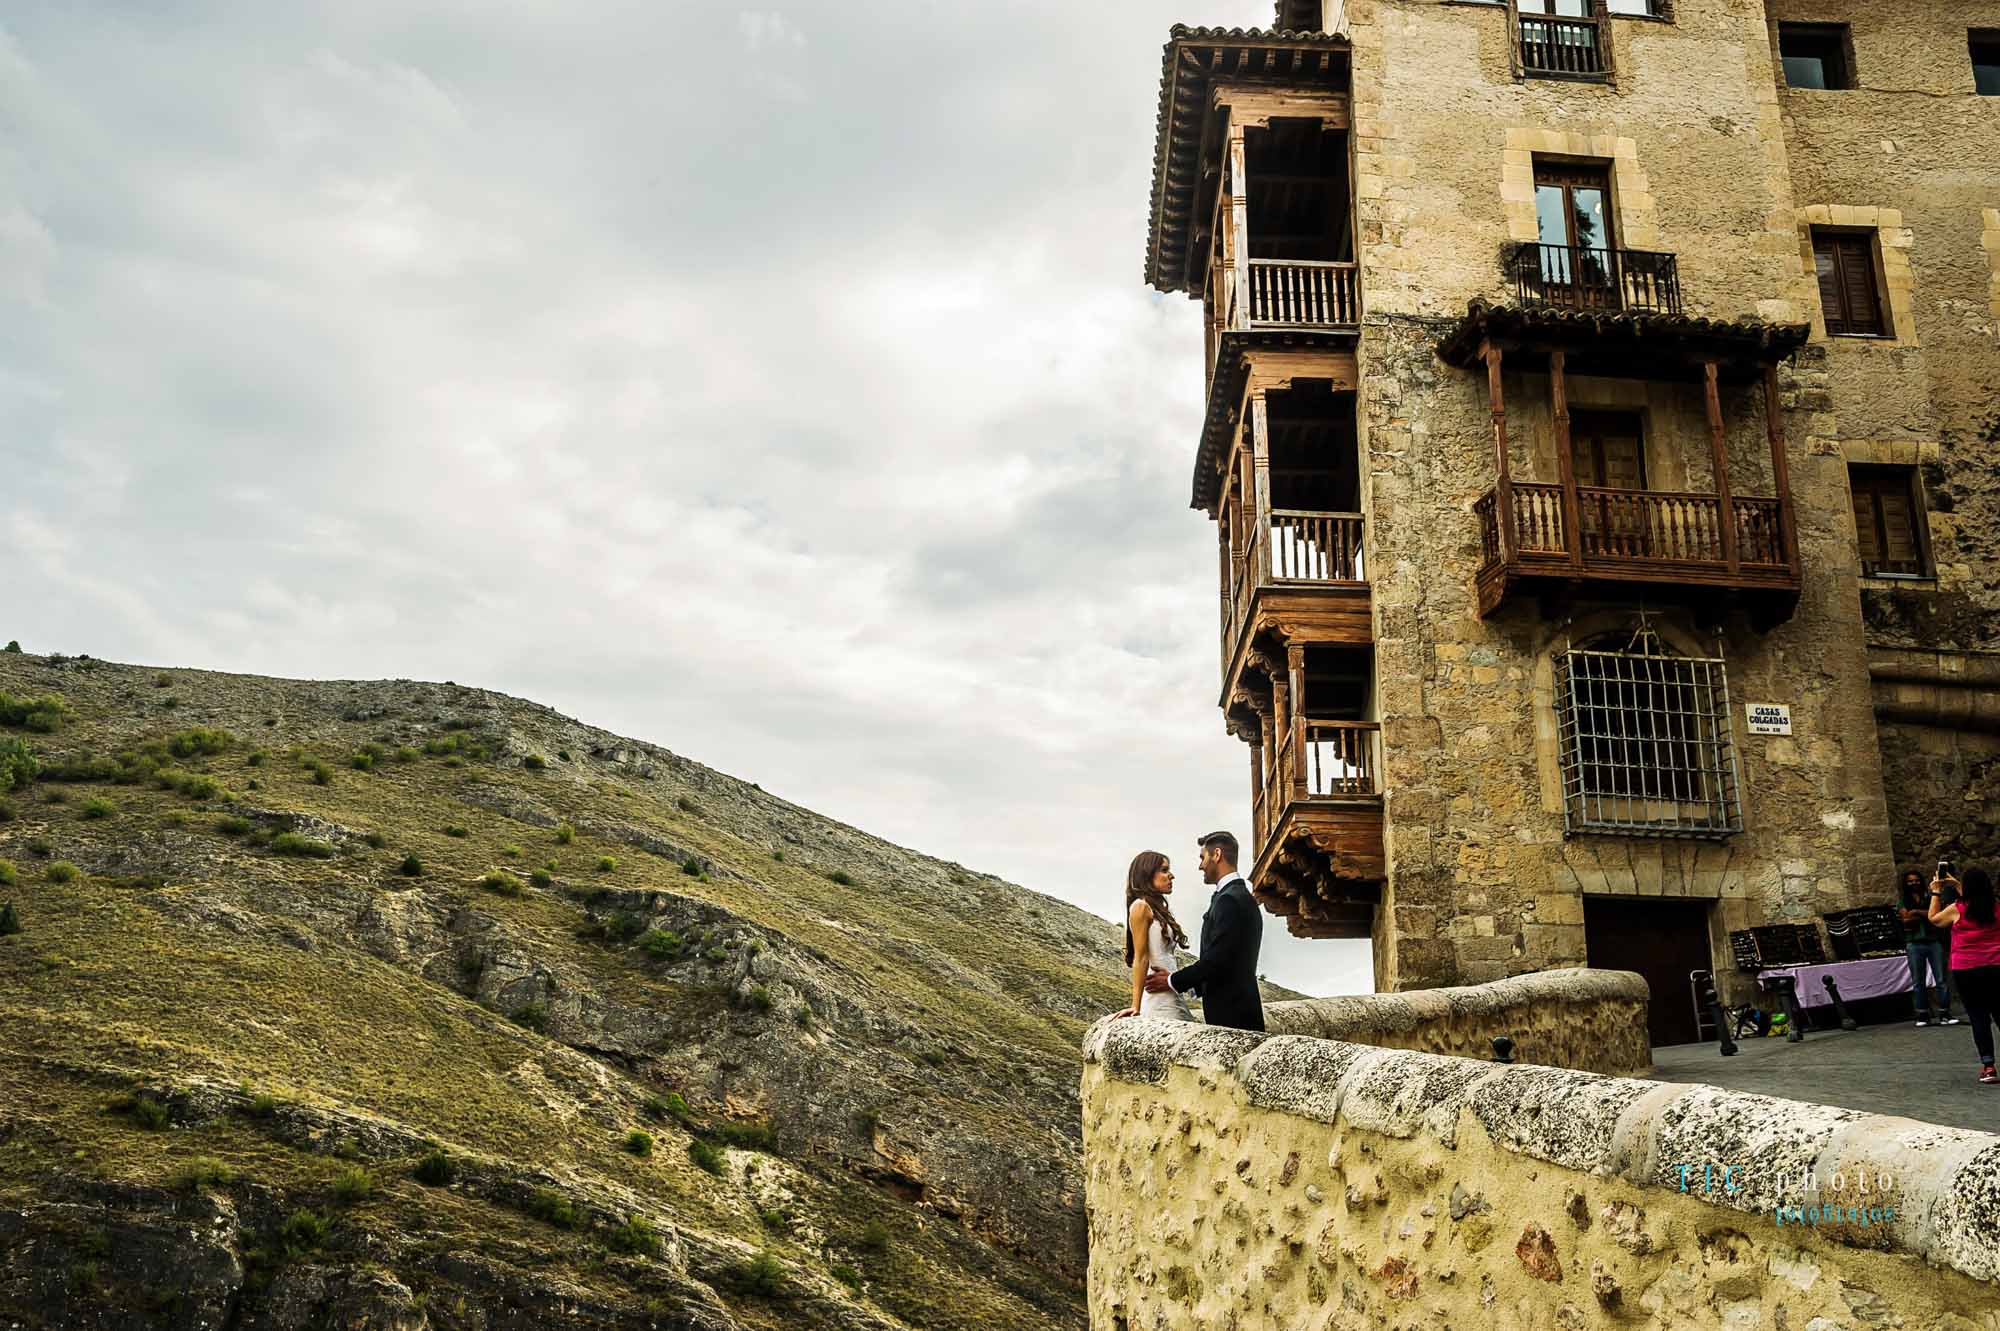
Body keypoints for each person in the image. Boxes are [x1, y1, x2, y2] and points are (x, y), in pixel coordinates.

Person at [1142, 831, 1265, 1033]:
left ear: (1216, 855)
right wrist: (1190, 985)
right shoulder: (1235, 896)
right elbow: (1229, 960)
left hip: (1234, 1016)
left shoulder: (1230, 900)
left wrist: (1172, 980)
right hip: (1237, 1011)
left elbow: (1218, 959)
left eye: (1202, 857)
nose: (1201, 866)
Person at [1927, 866, 2000, 1085]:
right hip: (1996, 965)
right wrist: (1957, 884)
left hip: (1967, 969)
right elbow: (1977, 897)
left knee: (1978, 1017)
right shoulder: (1996, 906)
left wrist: (1936, 892)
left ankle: (1988, 1066)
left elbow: (1934, 919)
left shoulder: (1957, 908)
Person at [1112, 851, 1193, 1022]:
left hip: (1170, 990)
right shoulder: (1140, 907)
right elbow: (1141, 958)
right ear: (1147, 874)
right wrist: (1136, 1005)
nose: (1171, 876)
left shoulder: (1159, 910)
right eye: (1164, 870)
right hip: (1158, 997)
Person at [1898, 867, 1959, 1026]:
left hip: (1933, 941)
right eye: (1910, 881)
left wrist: (1916, 912)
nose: (1914, 883)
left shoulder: (1930, 896)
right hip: (1914, 943)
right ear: (1906, 883)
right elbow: (1906, 920)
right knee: (1918, 981)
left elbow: (1938, 915)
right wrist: (1926, 915)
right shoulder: (1903, 900)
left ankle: (1945, 1013)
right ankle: (1922, 1015)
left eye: (1916, 880)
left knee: (1941, 979)